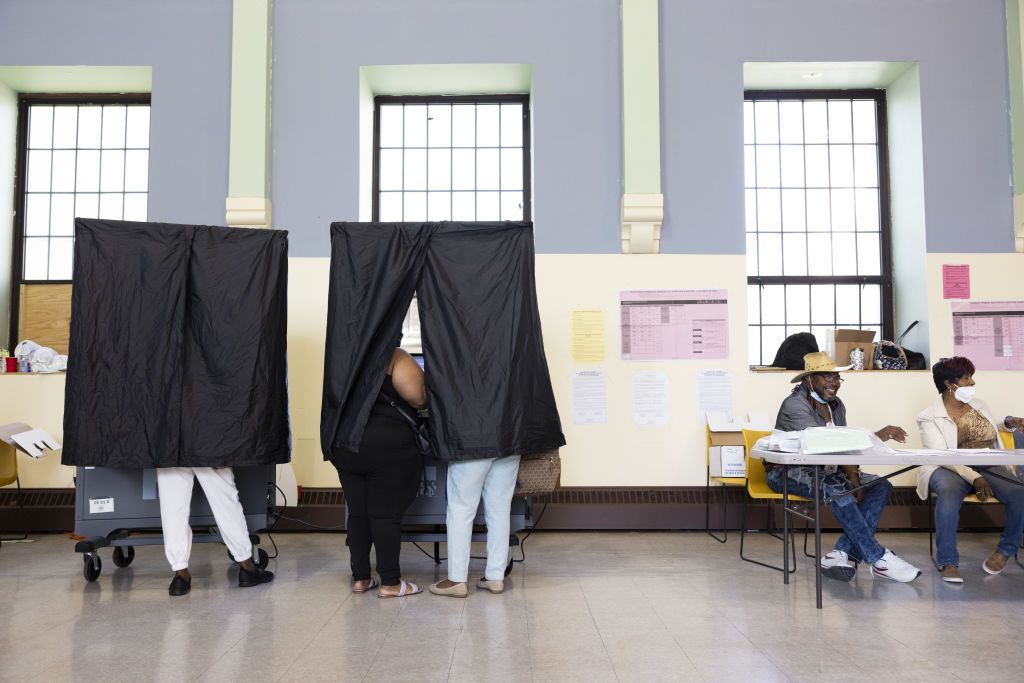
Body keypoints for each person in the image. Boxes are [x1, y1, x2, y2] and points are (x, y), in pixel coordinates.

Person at [766, 351, 920, 583]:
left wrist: (855, 478)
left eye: (837, 378)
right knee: (839, 490)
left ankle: (841, 553)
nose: (834, 383)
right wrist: (876, 435)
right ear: (810, 380)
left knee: (880, 486)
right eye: (827, 377)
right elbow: (824, 444)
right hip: (787, 472)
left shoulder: (836, 405)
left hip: (827, 470)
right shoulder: (794, 405)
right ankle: (878, 558)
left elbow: (845, 446)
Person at [916, 356, 1024, 583]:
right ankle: (948, 561)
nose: (972, 383)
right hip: (948, 466)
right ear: (949, 384)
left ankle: (1005, 550)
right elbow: (942, 455)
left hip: (985, 461)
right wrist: (975, 478)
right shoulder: (928, 417)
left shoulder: (979, 405)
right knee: (948, 492)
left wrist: (1008, 422)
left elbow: (988, 428)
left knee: (1019, 491)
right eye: (967, 378)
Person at [329, 346, 426, 598]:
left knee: (358, 514)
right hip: (386, 445)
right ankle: (391, 583)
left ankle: (361, 578)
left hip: (345, 444)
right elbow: (418, 397)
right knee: (384, 516)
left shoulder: (343, 354)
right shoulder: (394, 357)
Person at [157, 468, 274, 596]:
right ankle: (246, 567)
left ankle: (180, 575)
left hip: (169, 449)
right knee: (223, 498)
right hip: (205, 448)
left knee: (173, 506)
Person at [429, 453, 521, 597]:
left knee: (461, 508)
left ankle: (456, 580)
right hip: (508, 439)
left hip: (470, 441)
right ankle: (495, 577)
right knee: (499, 509)